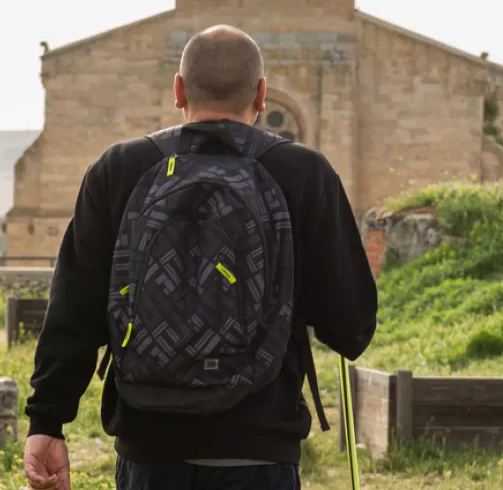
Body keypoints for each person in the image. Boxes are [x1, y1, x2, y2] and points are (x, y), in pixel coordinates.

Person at [23, 24, 379, 490]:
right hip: (260, 450)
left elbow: (72, 307)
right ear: (261, 94)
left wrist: (47, 421)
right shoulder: (304, 173)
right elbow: (351, 326)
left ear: (177, 90)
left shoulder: (120, 169)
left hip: (150, 447)